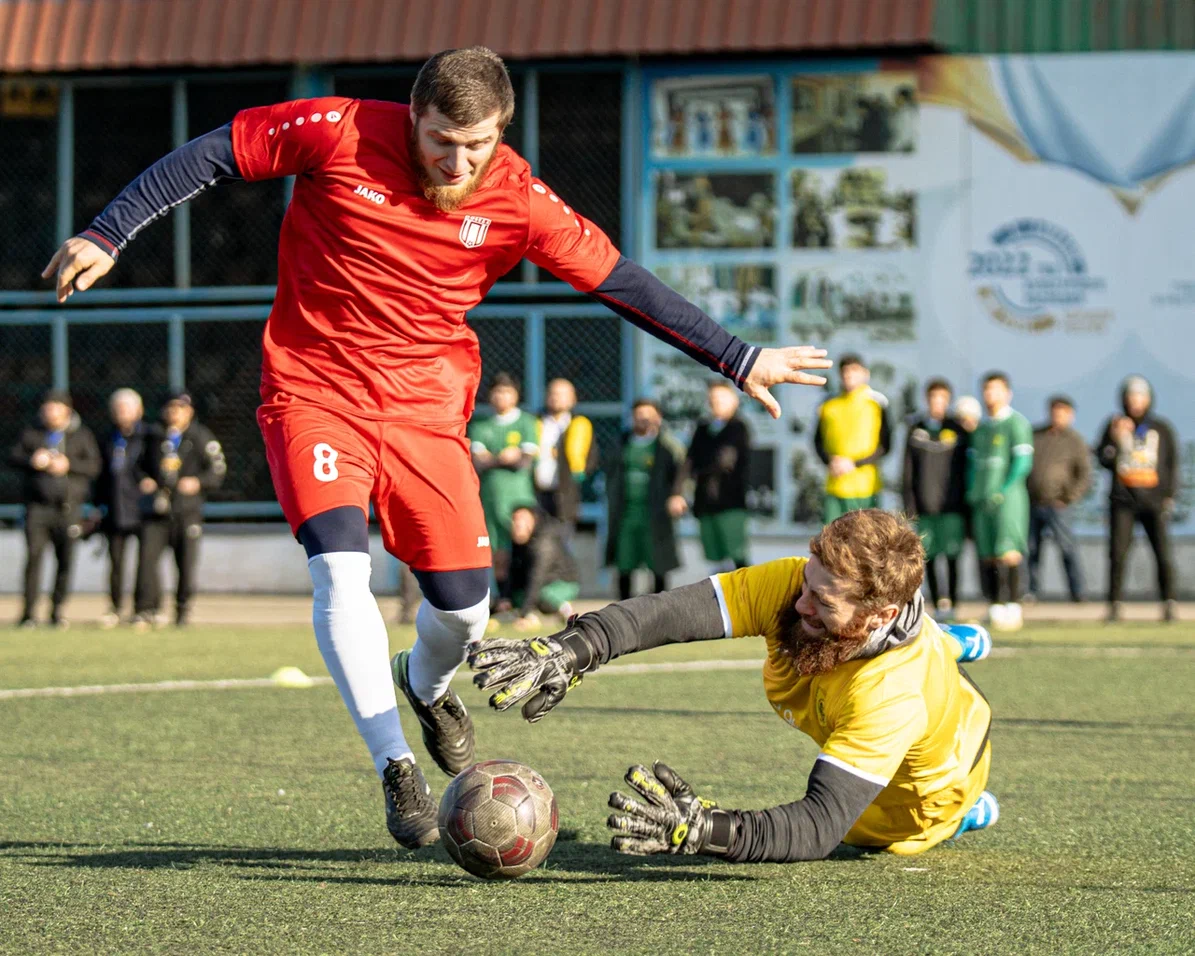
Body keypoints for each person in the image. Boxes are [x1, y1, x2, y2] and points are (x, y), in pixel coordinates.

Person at [42, 46, 829, 849]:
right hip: (315, 393)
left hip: (425, 416)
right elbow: (212, 153)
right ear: (413, 115)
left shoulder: (520, 199)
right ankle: (395, 767)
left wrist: (738, 357)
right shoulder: (337, 130)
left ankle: (424, 686)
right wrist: (108, 231)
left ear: (501, 132)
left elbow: (619, 282)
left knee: (463, 610)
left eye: (476, 144)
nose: (455, 160)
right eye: (439, 139)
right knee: (340, 566)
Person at [471, 509, 997, 862]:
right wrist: (574, 648)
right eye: (808, 583)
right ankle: (948, 640)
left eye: (824, 603)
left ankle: (964, 813)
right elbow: (672, 612)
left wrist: (706, 829)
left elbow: (818, 825)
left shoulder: (890, 697)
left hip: (917, 798)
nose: (800, 604)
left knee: (877, 835)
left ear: (880, 614)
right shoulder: (800, 585)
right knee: (915, 654)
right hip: (906, 675)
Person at [8, 389, 101, 628]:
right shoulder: (32, 433)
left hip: (68, 509)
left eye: (55, 408)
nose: (50, 413)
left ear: (66, 411)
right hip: (38, 509)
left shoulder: (81, 435)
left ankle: (57, 611)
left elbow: (94, 466)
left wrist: (69, 465)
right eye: (47, 408)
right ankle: (28, 614)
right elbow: (12, 456)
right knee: (34, 558)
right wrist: (32, 460)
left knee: (65, 560)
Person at [133, 392, 226, 629]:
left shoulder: (201, 437)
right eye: (171, 408)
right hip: (156, 510)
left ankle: (182, 609)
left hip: (186, 511)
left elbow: (217, 470)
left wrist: (198, 482)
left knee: (185, 562)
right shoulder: (153, 436)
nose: (175, 413)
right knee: (147, 560)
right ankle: (146, 609)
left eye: (181, 408)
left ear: (190, 411)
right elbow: (137, 466)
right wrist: (145, 480)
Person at [1095, 376, 1179, 622]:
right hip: (1123, 501)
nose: (1135, 401)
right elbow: (1103, 459)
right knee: (1118, 553)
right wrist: (1115, 439)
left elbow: (1171, 464)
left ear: (1149, 398)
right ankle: (1115, 604)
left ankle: (1168, 602)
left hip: (1154, 500)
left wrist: (1169, 495)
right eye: (1131, 396)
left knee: (1162, 553)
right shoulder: (1114, 425)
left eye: (1140, 396)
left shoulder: (1161, 428)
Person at [966, 373, 1033, 631]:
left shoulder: (1016, 423)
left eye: (995, 390)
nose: (990, 395)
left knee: (1009, 551)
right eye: (986, 390)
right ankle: (994, 604)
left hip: (1008, 500)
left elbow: (1023, 462)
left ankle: (1013, 605)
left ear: (1008, 393)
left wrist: (1004, 489)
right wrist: (973, 489)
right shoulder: (982, 428)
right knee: (987, 553)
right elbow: (973, 465)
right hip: (982, 500)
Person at [606, 399, 686, 600]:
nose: (643, 420)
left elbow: (683, 474)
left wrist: (678, 496)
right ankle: (622, 608)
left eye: (649, 415)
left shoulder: (668, 446)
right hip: (626, 512)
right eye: (639, 415)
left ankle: (659, 610)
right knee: (624, 562)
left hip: (655, 513)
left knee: (658, 562)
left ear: (658, 418)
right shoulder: (620, 443)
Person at [902, 378, 968, 620]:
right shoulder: (916, 429)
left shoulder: (958, 430)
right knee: (928, 557)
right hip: (924, 507)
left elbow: (966, 468)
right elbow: (907, 470)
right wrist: (910, 506)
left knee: (952, 556)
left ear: (948, 400)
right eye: (933, 398)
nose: (937, 403)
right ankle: (937, 602)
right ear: (926, 399)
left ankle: (953, 602)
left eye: (942, 398)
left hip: (952, 508)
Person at [469, 372, 539, 590]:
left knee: (521, 546)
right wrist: (505, 457)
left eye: (507, 391)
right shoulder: (481, 426)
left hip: (518, 497)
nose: (502, 396)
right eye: (497, 391)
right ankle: (501, 598)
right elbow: (478, 463)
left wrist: (494, 458)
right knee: (496, 549)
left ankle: (523, 596)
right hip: (490, 498)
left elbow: (524, 462)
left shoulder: (526, 423)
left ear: (516, 395)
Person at [682, 381, 753, 573]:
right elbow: (689, 460)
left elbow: (725, 462)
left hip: (730, 501)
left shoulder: (738, 428)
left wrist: (701, 469)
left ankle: (745, 600)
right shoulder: (702, 428)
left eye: (721, 398)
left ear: (734, 401)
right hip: (705, 502)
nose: (716, 403)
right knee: (714, 558)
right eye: (712, 398)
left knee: (737, 556)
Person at [1026, 396, 1091, 603]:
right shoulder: (1036, 436)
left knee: (1067, 548)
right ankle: (1030, 591)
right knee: (1032, 550)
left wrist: (1068, 497)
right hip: (1033, 503)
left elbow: (1084, 475)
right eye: (1055, 411)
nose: (1058, 416)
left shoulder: (1075, 441)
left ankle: (1077, 592)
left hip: (1059, 506)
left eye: (1063, 412)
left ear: (1070, 415)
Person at [94, 388, 150, 628]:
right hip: (114, 508)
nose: (122, 413)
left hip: (143, 508)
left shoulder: (149, 436)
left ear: (139, 410)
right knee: (115, 562)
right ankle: (116, 607)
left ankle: (143, 608)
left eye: (127, 408)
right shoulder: (107, 438)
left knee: (145, 562)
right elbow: (100, 476)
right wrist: (98, 506)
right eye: (118, 409)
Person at [815, 354, 890, 524]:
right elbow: (817, 442)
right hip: (835, 486)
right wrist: (830, 461)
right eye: (845, 371)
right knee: (831, 541)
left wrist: (854, 463)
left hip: (866, 487)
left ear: (865, 374)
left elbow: (885, 445)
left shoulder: (877, 404)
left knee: (866, 541)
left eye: (854, 371)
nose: (849, 375)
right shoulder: (828, 404)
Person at [496, 504, 580, 630]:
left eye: (522, 519)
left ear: (533, 520)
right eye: (515, 519)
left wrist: (523, 615)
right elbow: (513, 570)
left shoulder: (544, 543)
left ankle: (562, 608)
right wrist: (505, 598)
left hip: (561, 583)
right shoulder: (518, 540)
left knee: (543, 598)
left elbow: (536, 577)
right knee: (517, 596)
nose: (517, 524)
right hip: (538, 583)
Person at [533, 377, 598, 537]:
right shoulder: (534, 422)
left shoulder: (579, 425)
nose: (556, 397)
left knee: (562, 544)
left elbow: (591, 459)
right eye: (552, 393)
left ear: (573, 399)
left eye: (562, 394)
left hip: (565, 495)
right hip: (535, 494)